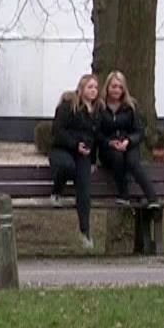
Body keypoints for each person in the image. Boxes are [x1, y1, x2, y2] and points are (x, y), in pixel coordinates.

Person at [48, 74, 101, 248]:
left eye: (95, 87)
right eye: (90, 87)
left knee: (84, 188)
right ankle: (56, 192)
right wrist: (74, 144)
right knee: (67, 166)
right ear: (81, 88)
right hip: (63, 149)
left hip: (83, 154)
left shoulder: (96, 111)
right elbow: (58, 130)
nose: (93, 91)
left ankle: (85, 232)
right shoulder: (69, 105)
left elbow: (95, 137)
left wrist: (92, 159)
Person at [97, 71, 160, 208]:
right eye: (114, 86)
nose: (117, 90)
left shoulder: (131, 106)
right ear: (107, 87)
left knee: (133, 162)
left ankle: (152, 198)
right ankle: (123, 195)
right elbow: (96, 132)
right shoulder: (100, 107)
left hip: (128, 144)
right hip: (109, 148)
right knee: (117, 157)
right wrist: (109, 142)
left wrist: (128, 141)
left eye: (120, 87)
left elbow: (139, 131)